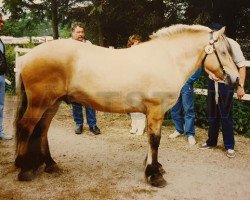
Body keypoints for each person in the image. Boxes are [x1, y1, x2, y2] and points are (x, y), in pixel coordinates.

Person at [200, 23, 246, 158]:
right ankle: (211, 141)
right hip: (211, 83)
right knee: (212, 114)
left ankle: (229, 146)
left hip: (226, 84)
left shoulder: (232, 44)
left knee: (226, 115)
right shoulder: (209, 44)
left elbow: (242, 66)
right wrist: (210, 72)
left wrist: (240, 86)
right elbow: (205, 63)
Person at [71, 22, 101, 135]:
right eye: (78, 32)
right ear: (72, 33)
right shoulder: (68, 45)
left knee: (90, 102)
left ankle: (92, 125)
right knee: (76, 103)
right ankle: (79, 124)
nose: (80, 34)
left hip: (88, 77)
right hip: (74, 78)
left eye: (82, 32)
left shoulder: (88, 44)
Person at [169, 68, 202, 145]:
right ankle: (179, 130)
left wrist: (189, 81)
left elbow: (198, 67)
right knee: (174, 108)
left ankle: (190, 134)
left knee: (188, 110)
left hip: (186, 85)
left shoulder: (192, 55)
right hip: (175, 84)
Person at [127, 34, 146, 135]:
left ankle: (141, 127)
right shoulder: (128, 55)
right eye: (133, 43)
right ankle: (134, 126)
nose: (135, 45)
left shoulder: (143, 55)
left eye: (137, 43)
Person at [0, 13, 12, 140]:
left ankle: (0, 131)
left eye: (2, 21)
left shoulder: (0, 40)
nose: (2, 24)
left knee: (0, 105)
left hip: (1, 77)